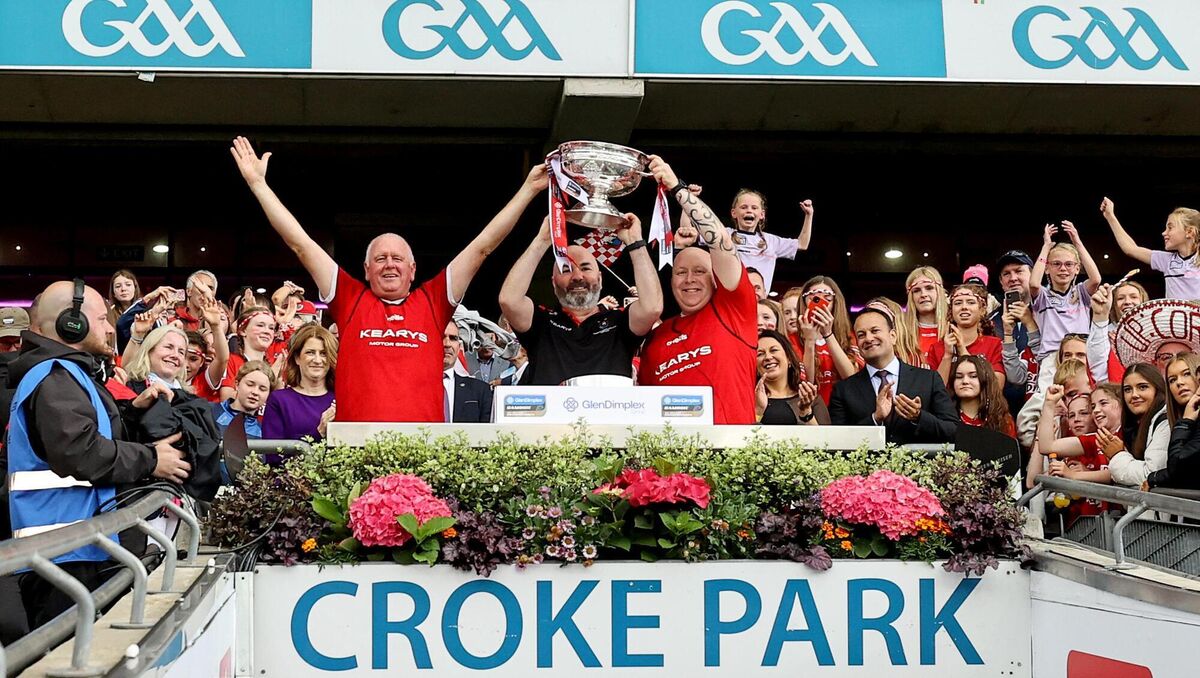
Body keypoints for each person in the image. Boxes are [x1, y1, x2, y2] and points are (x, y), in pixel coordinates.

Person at [231, 136, 546, 422]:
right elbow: (300, 243)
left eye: (398, 259)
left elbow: (483, 247)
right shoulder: (350, 298)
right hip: (357, 452)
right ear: (366, 270)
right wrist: (259, 184)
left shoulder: (432, 301)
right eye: (380, 259)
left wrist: (528, 190)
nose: (389, 265)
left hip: (423, 453)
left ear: (413, 270)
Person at [6, 280, 189, 628]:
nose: (109, 328)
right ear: (70, 322)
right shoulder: (55, 377)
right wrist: (152, 459)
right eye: (102, 319)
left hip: (76, 553)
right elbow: (79, 452)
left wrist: (131, 412)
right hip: (65, 559)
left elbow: (90, 437)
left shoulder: (68, 374)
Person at [637, 156, 757, 424]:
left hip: (731, 454)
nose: (689, 279)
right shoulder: (656, 339)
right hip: (671, 462)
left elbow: (722, 241)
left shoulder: (734, 309)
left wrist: (676, 188)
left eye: (700, 271)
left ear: (716, 279)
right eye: (681, 272)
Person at [501, 211, 662, 385]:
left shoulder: (620, 321)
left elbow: (652, 307)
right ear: (554, 282)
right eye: (566, 269)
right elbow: (509, 300)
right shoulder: (542, 322)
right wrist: (542, 241)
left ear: (600, 279)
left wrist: (635, 242)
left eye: (585, 268)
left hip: (610, 411)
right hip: (551, 412)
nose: (577, 276)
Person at [828, 306, 959, 444]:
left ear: (893, 336)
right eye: (861, 335)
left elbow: (952, 431)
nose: (868, 338)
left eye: (875, 331)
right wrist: (875, 418)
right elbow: (839, 441)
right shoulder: (843, 389)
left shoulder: (928, 379)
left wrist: (919, 417)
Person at [1032, 385, 1113, 525]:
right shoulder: (1070, 454)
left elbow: (1116, 475)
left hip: (1107, 524)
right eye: (1071, 415)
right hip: (1076, 528)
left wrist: (1079, 475)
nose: (1077, 419)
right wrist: (1049, 405)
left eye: (1084, 413)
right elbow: (1032, 481)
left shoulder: (1105, 440)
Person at [1029, 221, 1102, 360]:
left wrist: (1077, 242)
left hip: (1079, 357)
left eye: (1069, 264)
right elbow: (1033, 284)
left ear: (1077, 269)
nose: (1063, 268)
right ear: (1047, 268)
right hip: (1050, 358)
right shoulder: (1043, 295)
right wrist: (1046, 247)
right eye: (1056, 264)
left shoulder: (1081, 292)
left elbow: (1096, 279)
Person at [1101, 197, 1200, 301]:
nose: (1164, 233)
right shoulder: (1166, 260)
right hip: (1175, 316)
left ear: (1189, 232)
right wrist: (1110, 216)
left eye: (1170, 228)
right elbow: (1131, 249)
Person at [724, 189, 813, 291]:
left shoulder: (771, 241)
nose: (749, 210)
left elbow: (802, 244)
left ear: (762, 214)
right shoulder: (724, 234)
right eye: (744, 207)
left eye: (754, 208)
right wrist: (700, 204)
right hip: (730, 299)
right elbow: (701, 236)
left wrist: (809, 215)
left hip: (759, 301)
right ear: (734, 213)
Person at [262, 324, 337, 441]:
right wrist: (319, 432)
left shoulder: (340, 400)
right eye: (310, 352)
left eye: (323, 353)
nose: (317, 360)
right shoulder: (279, 400)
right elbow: (273, 455)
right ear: (297, 358)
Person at [796, 276, 863, 404]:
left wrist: (828, 334)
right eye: (814, 299)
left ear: (835, 304)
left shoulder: (849, 337)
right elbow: (806, 384)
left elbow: (851, 377)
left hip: (843, 408)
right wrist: (809, 340)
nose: (821, 305)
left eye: (827, 300)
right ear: (804, 302)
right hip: (812, 409)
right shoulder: (793, 338)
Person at [925, 284, 1004, 385]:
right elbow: (935, 391)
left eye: (971, 302)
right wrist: (947, 356)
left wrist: (962, 350)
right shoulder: (937, 348)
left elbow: (996, 387)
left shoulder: (994, 345)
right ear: (951, 311)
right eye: (958, 303)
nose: (964, 307)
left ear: (982, 310)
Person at [1109, 363, 1169, 487]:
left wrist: (1117, 455)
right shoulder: (1136, 424)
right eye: (1127, 389)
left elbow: (1150, 474)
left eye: (1142, 387)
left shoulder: (1165, 422)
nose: (1134, 395)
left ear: (1158, 389)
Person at [1146, 355, 1200, 490]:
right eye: (1172, 380)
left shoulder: (1186, 422)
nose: (1179, 383)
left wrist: (1185, 423)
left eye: (1187, 374)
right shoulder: (1176, 419)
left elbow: (1177, 467)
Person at [755, 329, 827, 425]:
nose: (767, 357)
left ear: (789, 358)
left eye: (774, 350)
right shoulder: (750, 400)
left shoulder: (809, 398)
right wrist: (758, 411)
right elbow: (740, 436)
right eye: (760, 354)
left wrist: (806, 412)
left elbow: (825, 438)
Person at [950, 354, 1015, 437]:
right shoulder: (943, 416)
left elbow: (1010, 448)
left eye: (973, 376)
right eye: (959, 377)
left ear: (985, 380)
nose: (965, 381)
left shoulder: (1002, 419)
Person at [441, 322, 492, 423]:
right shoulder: (410, 387)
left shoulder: (480, 391)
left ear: (459, 346)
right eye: (441, 337)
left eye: (453, 338)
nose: (447, 344)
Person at [212, 361, 275, 439]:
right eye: (250, 385)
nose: (255, 392)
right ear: (237, 384)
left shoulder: (265, 433)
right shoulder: (210, 412)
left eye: (262, 389)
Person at [903, 267, 947, 365]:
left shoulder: (953, 329)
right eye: (917, 290)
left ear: (939, 292)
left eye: (929, 288)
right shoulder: (902, 332)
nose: (923, 294)